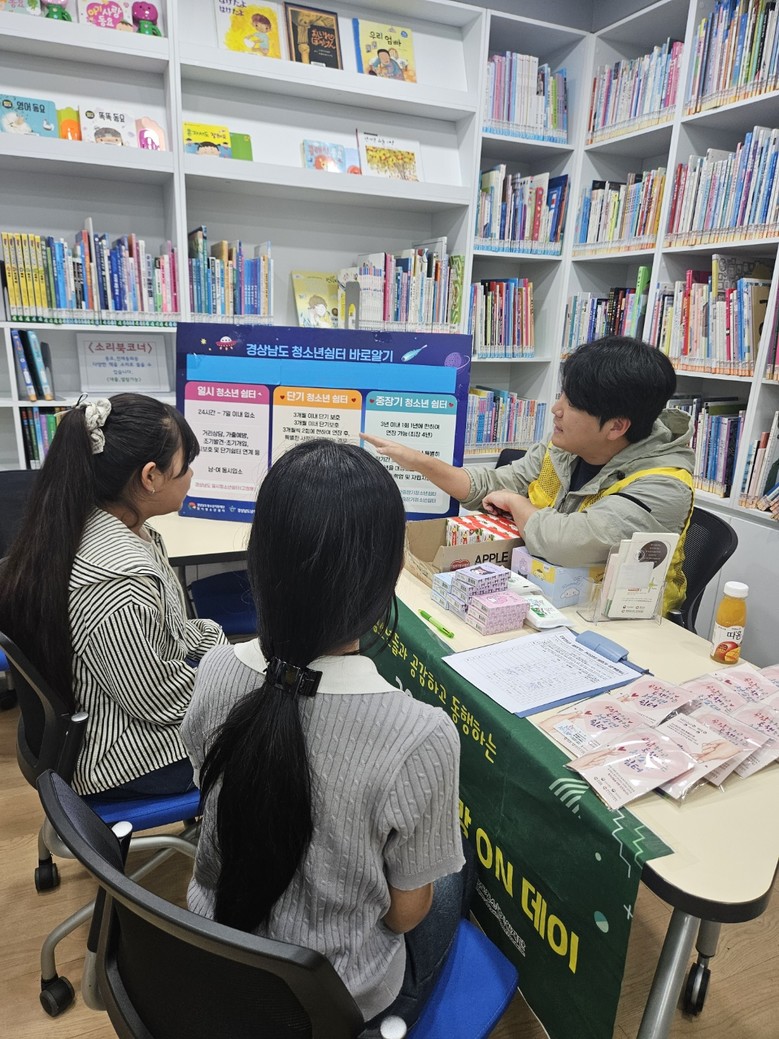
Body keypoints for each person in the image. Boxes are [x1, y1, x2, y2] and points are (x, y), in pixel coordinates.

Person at [181, 439, 471, 1031]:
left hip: (217, 958)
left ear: (257, 560)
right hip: (333, 1000)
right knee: (457, 880)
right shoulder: (421, 736)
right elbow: (403, 917)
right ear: (391, 574)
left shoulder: (215, 668)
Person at [363, 336, 695, 612]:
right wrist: (420, 462)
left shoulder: (663, 486)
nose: (556, 409)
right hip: (548, 597)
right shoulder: (566, 447)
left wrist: (516, 503)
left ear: (616, 426)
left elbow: (567, 542)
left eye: (573, 403)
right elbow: (493, 485)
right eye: (563, 394)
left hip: (620, 623)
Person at [0, 394, 227, 797]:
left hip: (112, 708)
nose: (191, 475)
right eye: (185, 466)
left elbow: (170, 633)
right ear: (151, 476)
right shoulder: (117, 579)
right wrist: (235, 682)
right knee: (272, 733)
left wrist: (215, 645)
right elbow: (158, 701)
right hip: (120, 757)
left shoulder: (109, 525)